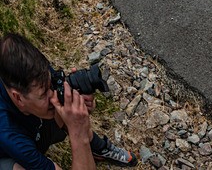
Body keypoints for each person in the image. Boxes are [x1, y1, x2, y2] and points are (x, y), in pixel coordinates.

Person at [0, 33, 138, 169]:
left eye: (50, 85)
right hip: (7, 153)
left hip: (31, 126)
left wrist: (77, 100)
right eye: (43, 94)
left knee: (66, 106)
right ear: (18, 97)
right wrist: (78, 133)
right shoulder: (9, 133)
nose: (53, 96)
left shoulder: (29, 72)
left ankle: (98, 149)